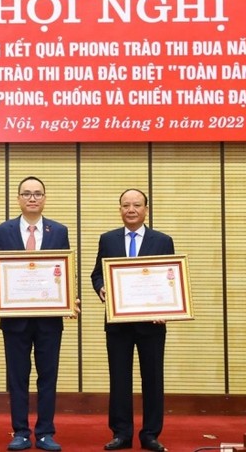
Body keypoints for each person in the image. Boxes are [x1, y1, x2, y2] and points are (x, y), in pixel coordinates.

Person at [90, 189, 174, 452]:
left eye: (137, 205)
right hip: (118, 323)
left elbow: (170, 278)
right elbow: (97, 274)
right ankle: (121, 433)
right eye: (126, 205)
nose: (131, 209)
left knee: (153, 378)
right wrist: (102, 288)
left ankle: (150, 434)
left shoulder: (162, 240)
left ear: (146, 209)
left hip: (152, 323)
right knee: (119, 378)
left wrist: (168, 307)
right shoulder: (108, 239)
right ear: (120, 209)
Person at [0, 176, 70, 452]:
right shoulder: (4, 230)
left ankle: (46, 432)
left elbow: (65, 271)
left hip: (49, 319)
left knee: (48, 376)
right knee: (17, 377)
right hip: (15, 320)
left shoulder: (59, 231)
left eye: (37, 193)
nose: (32, 198)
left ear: (45, 198)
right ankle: (21, 432)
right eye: (26, 193)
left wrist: (70, 298)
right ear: (18, 199)